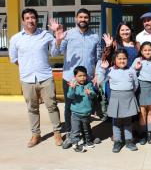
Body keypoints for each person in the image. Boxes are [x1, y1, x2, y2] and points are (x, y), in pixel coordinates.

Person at [9, 8, 63, 148]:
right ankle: (35, 134)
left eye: (32, 17)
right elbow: (14, 58)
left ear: (36, 19)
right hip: (27, 79)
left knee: (52, 105)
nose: (30, 20)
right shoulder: (16, 38)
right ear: (23, 21)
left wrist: (57, 39)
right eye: (27, 18)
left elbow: (55, 53)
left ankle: (57, 133)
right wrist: (26, 68)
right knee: (32, 108)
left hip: (45, 77)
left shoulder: (45, 35)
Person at [50, 8, 102, 137]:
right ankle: (70, 132)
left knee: (86, 104)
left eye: (86, 17)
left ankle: (85, 132)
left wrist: (97, 74)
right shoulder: (67, 35)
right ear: (76, 19)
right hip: (70, 79)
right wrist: (57, 40)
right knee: (69, 105)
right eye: (81, 17)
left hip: (88, 79)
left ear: (89, 19)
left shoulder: (95, 37)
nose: (83, 19)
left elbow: (99, 58)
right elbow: (54, 53)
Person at [99, 49, 139, 153]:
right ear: (115, 59)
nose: (122, 61)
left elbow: (135, 85)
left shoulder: (131, 71)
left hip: (129, 97)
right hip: (115, 98)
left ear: (127, 59)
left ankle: (129, 141)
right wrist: (103, 70)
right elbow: (101, 81)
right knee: (116, 122)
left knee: (128, 121)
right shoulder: (110, 70)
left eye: (124, 58)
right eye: (119, 58)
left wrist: (129, 93)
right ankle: (117, 141)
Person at [131, 42, 151, 145]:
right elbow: (131, 73)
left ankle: (150, 133)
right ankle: (143, 133)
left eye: (149, 50)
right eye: (145, 50)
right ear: (141, 51)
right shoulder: (138, 60)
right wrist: (135, 68)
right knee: (142, 112)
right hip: (141, 88)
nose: (147, 52)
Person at [63, 66, 96, 153]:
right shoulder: (73, 85)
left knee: (87, 128)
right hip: (75, 113)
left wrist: (90, 93)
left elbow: (93, 96)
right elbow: (70, 96)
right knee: (75, 130)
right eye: (80, 76)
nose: (82, 78)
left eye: (84, 75)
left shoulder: (89, 85)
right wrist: (72, 89)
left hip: (86, 113)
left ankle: (88, 141)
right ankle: (75, 144)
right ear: (75, 77)